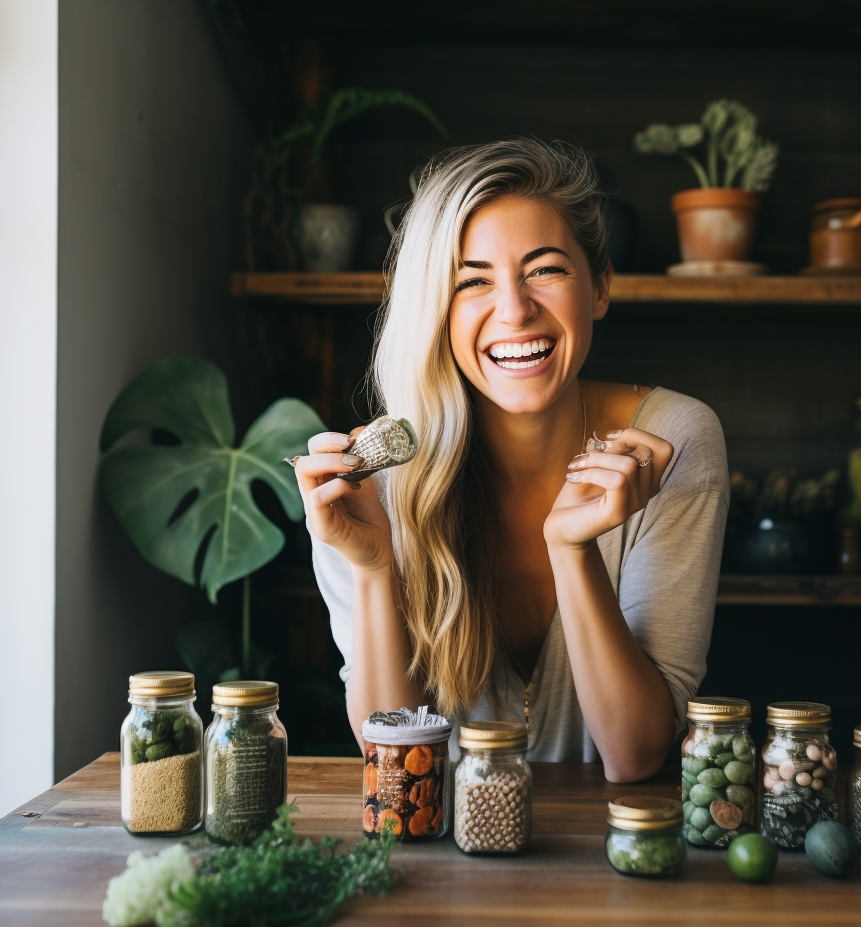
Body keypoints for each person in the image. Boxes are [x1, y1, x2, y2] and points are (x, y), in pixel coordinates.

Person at [296, 138, 728, 782]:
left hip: (614, 853)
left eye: (545, 269)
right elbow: (398, 770)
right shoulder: (367, 484)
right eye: (471, 281)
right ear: (433, 310)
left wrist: (572, 550)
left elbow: (636, 753)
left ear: (601, 287)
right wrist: (374, 567)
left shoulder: (672, 441)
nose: (515, 309)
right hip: (442, 858)